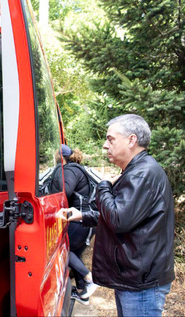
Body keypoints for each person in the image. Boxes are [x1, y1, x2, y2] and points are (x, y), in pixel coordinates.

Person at [59, 114, 175, 317]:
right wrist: (82, 216)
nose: (105, 145)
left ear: (131, 140)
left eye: (111, 139)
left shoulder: (141, 174)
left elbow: (118, 219)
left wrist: (103, 186)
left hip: (141, 285)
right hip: (135, 279)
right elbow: (126, 216)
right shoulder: (136, 171)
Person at [57, 144, 99, 305]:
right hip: (88, 219)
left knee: (64, 250)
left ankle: (90, 279)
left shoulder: (69, 170)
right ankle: (83, 294)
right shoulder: (81, 169)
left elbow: (64, 191)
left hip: (80, 219)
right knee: (75, 254)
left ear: (61, 158)